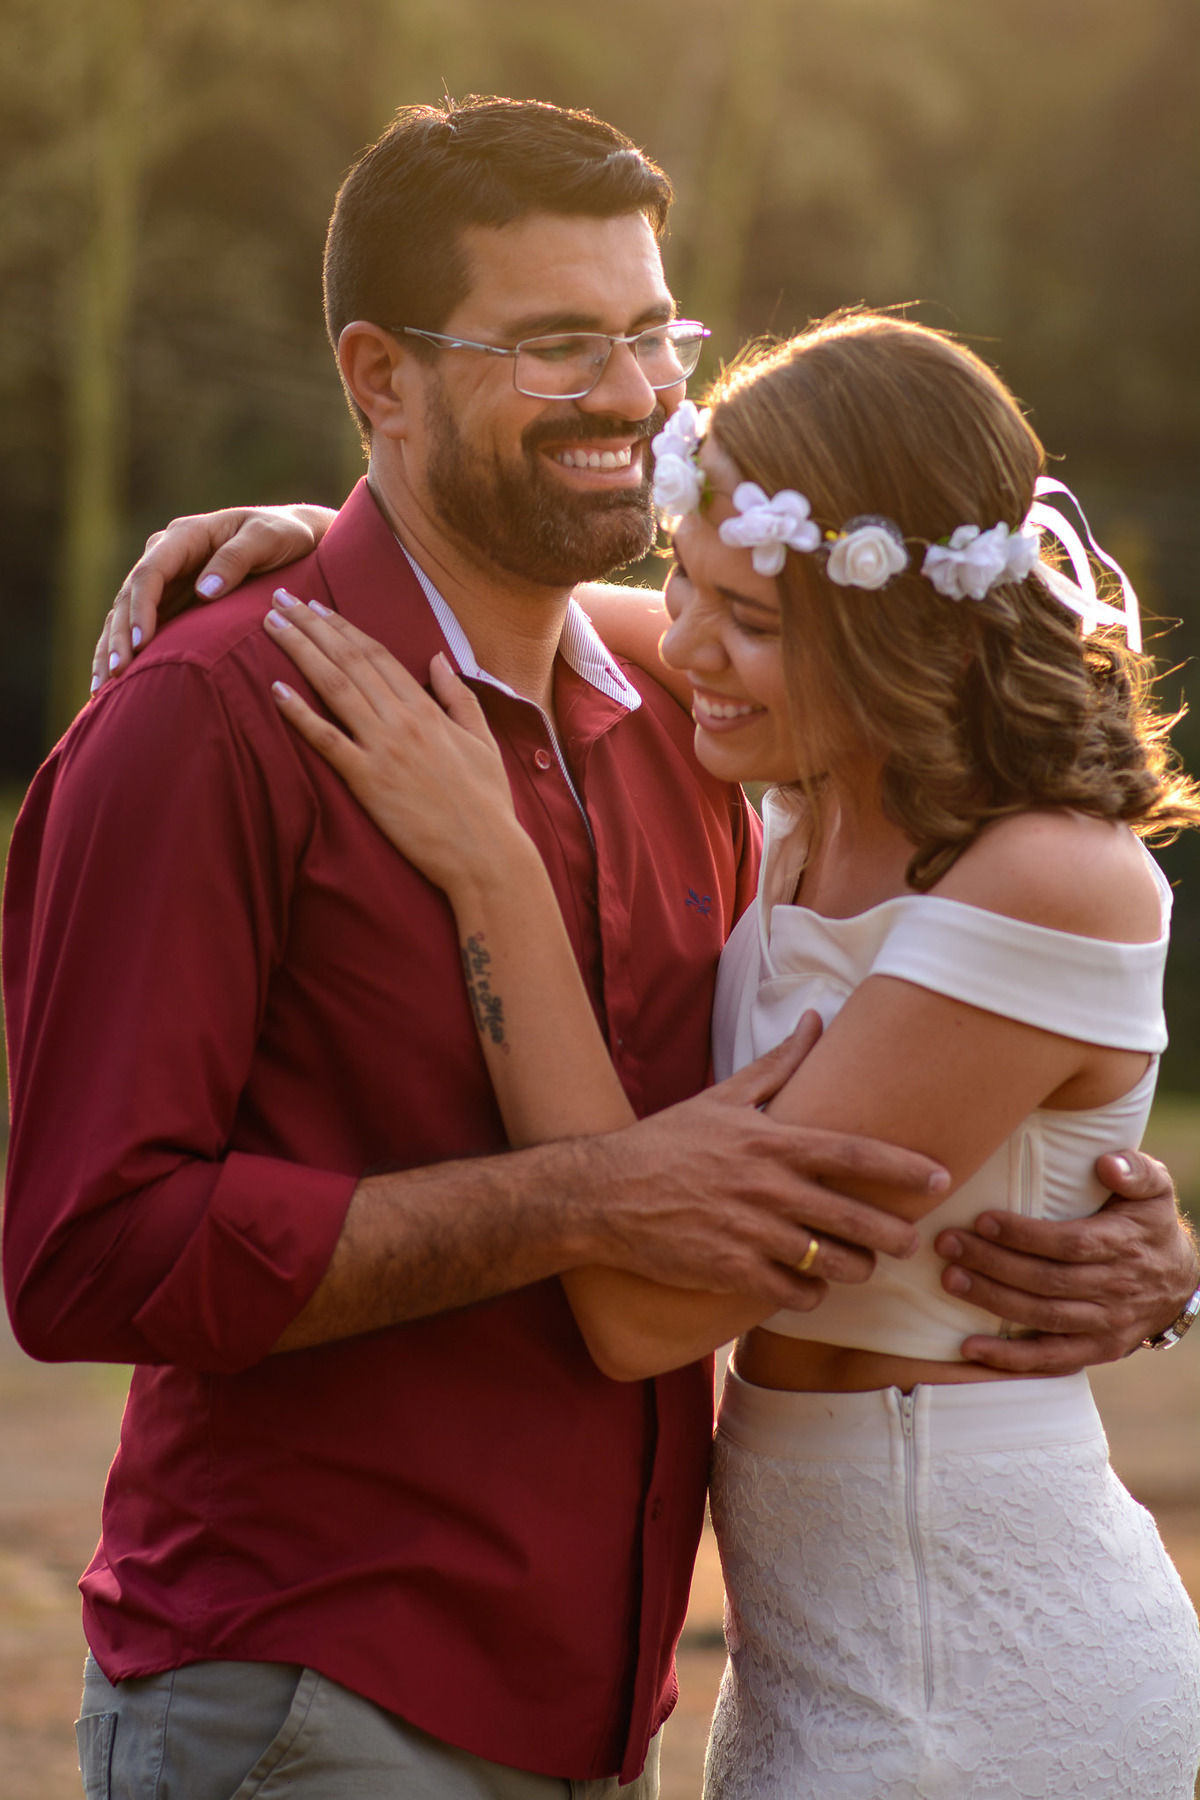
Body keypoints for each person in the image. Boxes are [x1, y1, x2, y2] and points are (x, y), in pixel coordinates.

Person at [4, 95, 1193, 1800]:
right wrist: (314, 544)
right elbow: (85, 1260)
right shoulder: (221, 720)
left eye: (650, 335)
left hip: (639, 1697)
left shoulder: (691, 738)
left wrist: (1149, 1257)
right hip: (319, 1688)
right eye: (558, 344)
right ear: (380, 376)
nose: (632, 395)